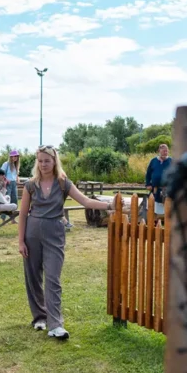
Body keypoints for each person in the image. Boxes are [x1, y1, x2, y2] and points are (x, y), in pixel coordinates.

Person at [18, 146, 114, 340]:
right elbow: (22, 214)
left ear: (54, 161)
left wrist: (110, 206)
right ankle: (39, 317)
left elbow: (86, 202)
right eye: (40, 161)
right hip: (32, 233)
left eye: (47, 160)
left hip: (55, 233)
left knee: (53, 278)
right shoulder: (30, 185)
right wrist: (21, 241)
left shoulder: (63, 183)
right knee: (33, 276)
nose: (43, 164)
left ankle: (56, 325)